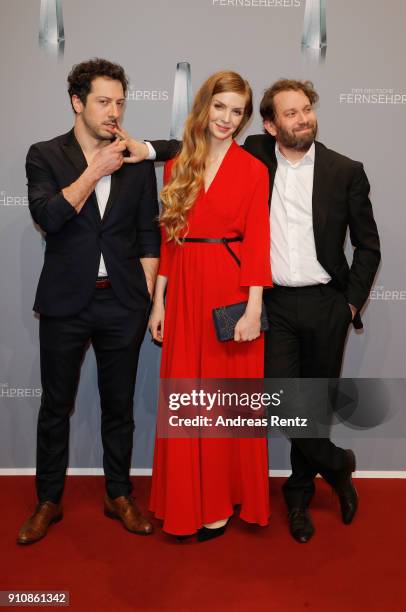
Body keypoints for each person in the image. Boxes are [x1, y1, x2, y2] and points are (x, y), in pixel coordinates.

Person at [132, 78, 381, 543]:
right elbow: (173, 226)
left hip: (313, 300)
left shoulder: (336, 169)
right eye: (290, 112)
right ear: (269, 124)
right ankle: (325, 466)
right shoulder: (223, 161)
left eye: (306, 109)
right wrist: (159, 300)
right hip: (247, 299)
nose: (301, 118)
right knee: (243, 405)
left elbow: (362, 244)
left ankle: (301, 494)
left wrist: (349, 304)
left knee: (303, 409)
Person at [17, 58, 160, 545]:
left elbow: (148, 236)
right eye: (103, 101)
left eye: (120, 101)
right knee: (55, 407)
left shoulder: (135, 161)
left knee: (118, 408)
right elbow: (49, 217)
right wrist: (94, 170)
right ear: (77, 103)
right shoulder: (45, 155)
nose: (113, 111)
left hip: (122, 303)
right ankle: (48, 500)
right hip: (65, 303)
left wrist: (144, 299)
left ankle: (119, 494)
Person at [148, 70, 272, 540]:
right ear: (205, 106)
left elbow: (258, 242)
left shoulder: (254, 170)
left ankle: (218, 502)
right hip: (183, 291)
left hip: (231, 292)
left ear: (244, 118)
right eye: (220, 106)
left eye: (237, 111)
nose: (227, 118)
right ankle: (186, 499)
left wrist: (254, 309)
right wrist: (158, 302)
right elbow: (169, 239)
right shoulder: (178, 164)